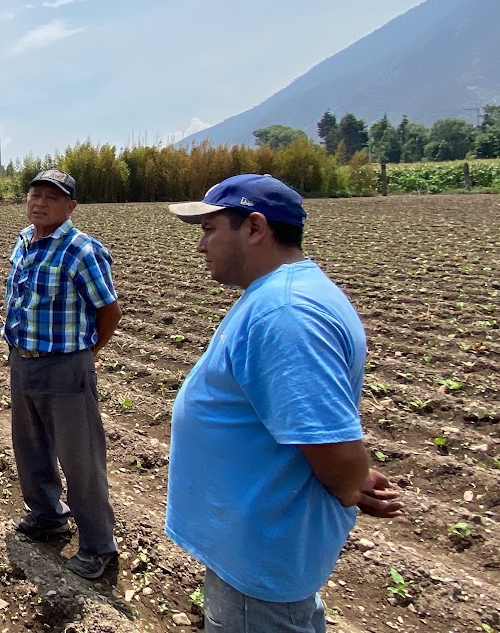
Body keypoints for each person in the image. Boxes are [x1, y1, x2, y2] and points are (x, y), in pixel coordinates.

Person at [166, 174, 403, 633]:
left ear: (254, 228)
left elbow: (333, 446)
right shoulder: (282, 296)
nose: (201, 246)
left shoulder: (286, 313)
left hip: (260, 564)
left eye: (209, 230)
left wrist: (350, 475)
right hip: (251, 551)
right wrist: (349, 472)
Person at [3, 169, 122, 581]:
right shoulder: (24, 240)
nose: (39, 202)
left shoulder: (81, 251)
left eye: (51, 198)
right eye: (34, 195)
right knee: (30, 447)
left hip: (65, 366)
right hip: (23, 360)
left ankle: (99, 547)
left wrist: (87, 353)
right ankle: (48, 516)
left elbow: (109, 310)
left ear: (70, 207)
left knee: (81, 460)